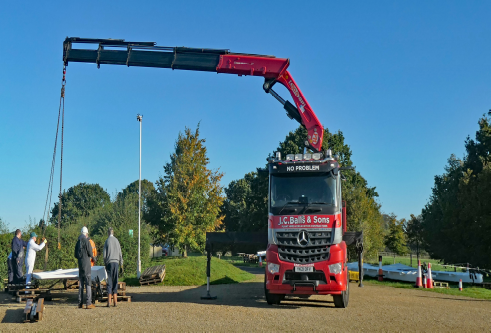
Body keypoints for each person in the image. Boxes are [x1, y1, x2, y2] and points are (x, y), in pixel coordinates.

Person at [75, 226, 96, 309]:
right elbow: (90, 253)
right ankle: (88, 303)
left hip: (80, 265)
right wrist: (94, 258)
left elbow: (75, 255)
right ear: (86, 234)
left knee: (81, 284)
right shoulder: (87, 241)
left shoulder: (78, 242)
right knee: (88, 283)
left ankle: (80, 303)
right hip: (87, 264)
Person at [103, 227, 123, 308]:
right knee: (115, 281)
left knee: (109, 281)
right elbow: (120, 252)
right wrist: (121, 263)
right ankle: (115, 302)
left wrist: (105, 263)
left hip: (109, 263)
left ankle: (109, 302)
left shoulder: (107, 241)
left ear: (108, 233)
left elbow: (104, 255)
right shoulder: (117, 241)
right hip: (116, 262)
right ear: (113, 233)